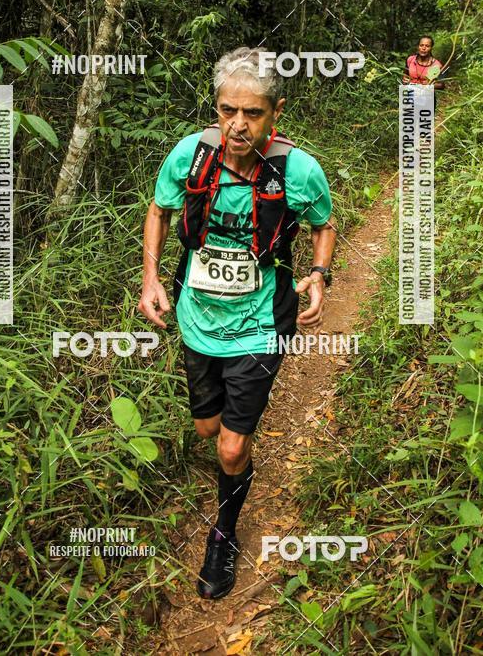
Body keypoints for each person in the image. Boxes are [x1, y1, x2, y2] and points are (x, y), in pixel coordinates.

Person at [137, 46, 337, 600]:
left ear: (276, 113)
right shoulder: (190, 155)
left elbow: (324, 225)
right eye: (228, 111)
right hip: (198, 317)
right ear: (217, 108)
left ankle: (223, 534)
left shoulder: (298, 170)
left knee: (229, 447)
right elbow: (159, 210)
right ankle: (233, 456)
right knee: (207, 431)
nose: (238, 125)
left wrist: (319, 274)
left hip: (262, 322)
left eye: (252, 113)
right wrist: (151, 280)